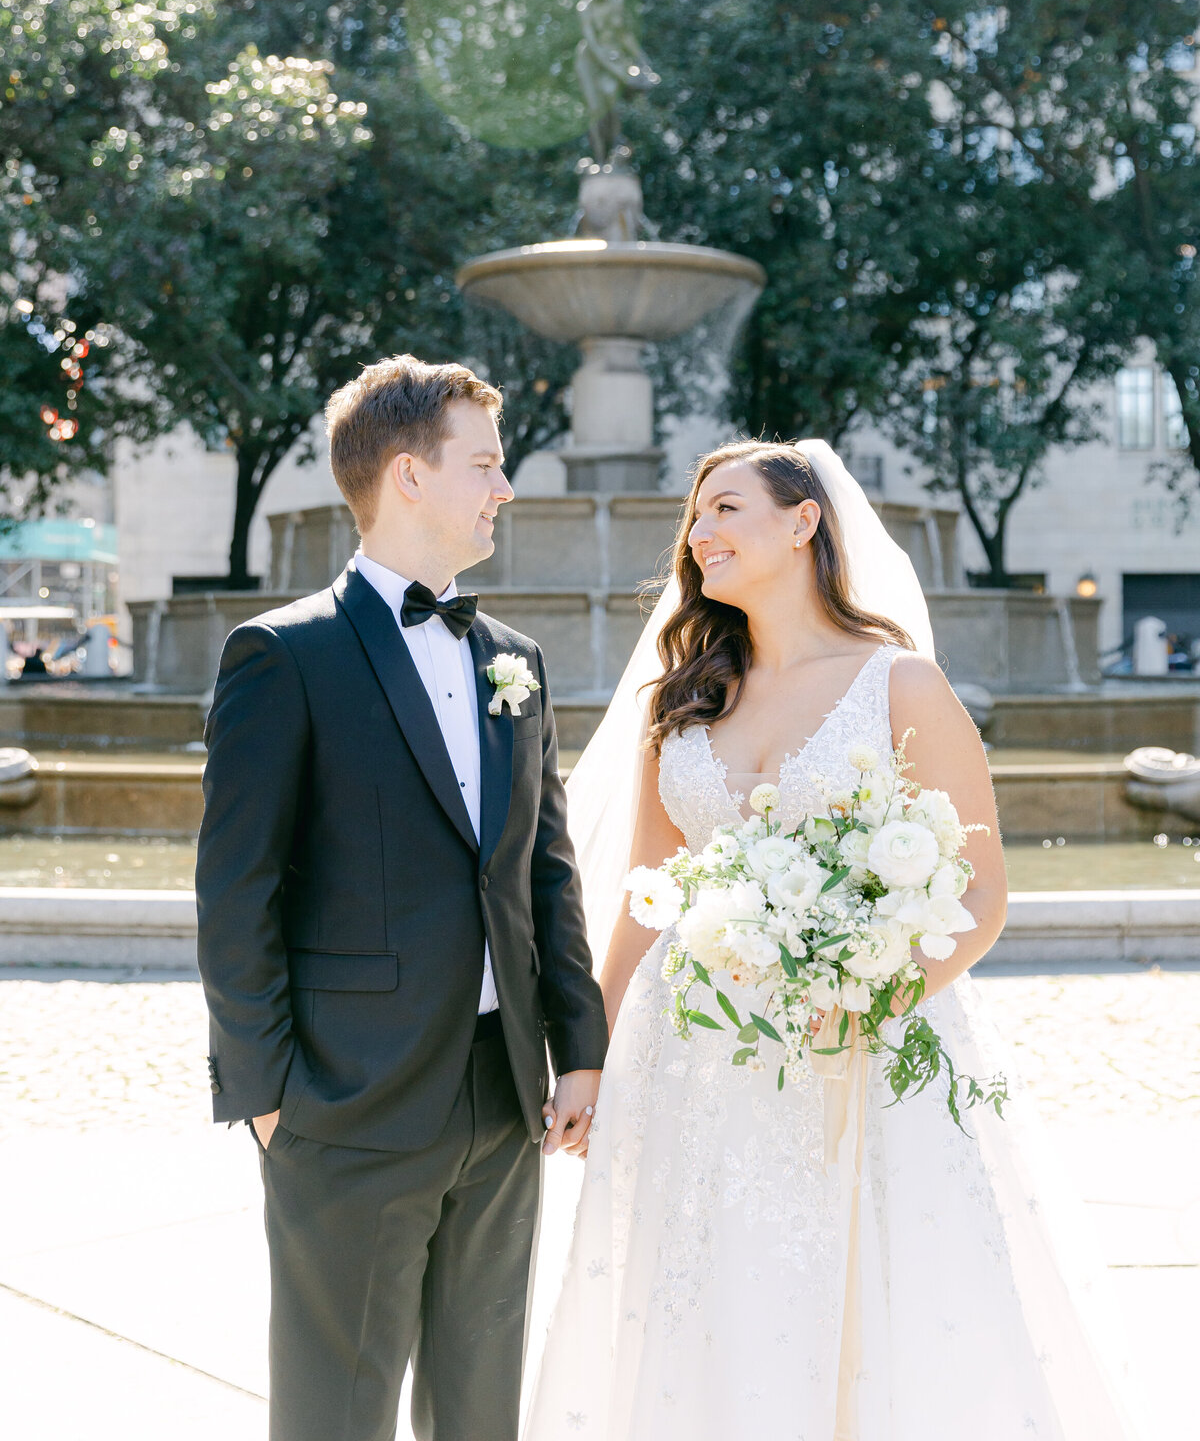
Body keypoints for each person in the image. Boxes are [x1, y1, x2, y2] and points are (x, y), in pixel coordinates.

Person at [524, 439, 1134, 1441]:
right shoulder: (680, 703)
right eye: (694, 518)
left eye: (725, 508)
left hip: (860, 1051)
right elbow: (646, 901)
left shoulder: (900, 687)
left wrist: (872, 1000)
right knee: (705, 1303)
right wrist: (586, 1061)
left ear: (803, 521)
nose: (699, 533)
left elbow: (980, 895)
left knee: (863, 1309)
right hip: (695, 1055)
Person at [195, 355, 608, 1441]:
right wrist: (269, 1098)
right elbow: (237, 896)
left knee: (481, 1413)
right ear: (409, 476)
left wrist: (581, 1049)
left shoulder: (513, 657)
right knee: (336, 1413)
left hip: (505, 1095)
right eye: (486, 463)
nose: (504, 487)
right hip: (347, 1103)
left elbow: (544, 870)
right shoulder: (282, 655)